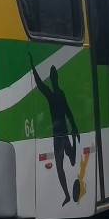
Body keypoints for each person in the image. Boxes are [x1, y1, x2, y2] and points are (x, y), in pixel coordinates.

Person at [29, 55, 79, 206]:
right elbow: (38, 83)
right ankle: (67, 195)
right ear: (53, 78)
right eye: (52, 77)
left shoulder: (56, 94)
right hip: (58, 135)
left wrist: (74, 128)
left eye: (53, 76)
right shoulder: (54, 94)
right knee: (59, 166)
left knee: (68, 161)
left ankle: (73, 153)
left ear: (54, 78)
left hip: (61, 134)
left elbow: (68, 111)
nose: (53, 79)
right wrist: (32, 67)